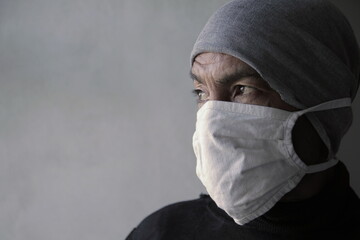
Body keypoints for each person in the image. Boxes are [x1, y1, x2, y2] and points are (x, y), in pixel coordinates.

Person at [126, 0, 360, 239]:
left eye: (243, 89)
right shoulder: (161, 232)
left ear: (322, 104)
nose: (212, 119)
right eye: (201, 92)